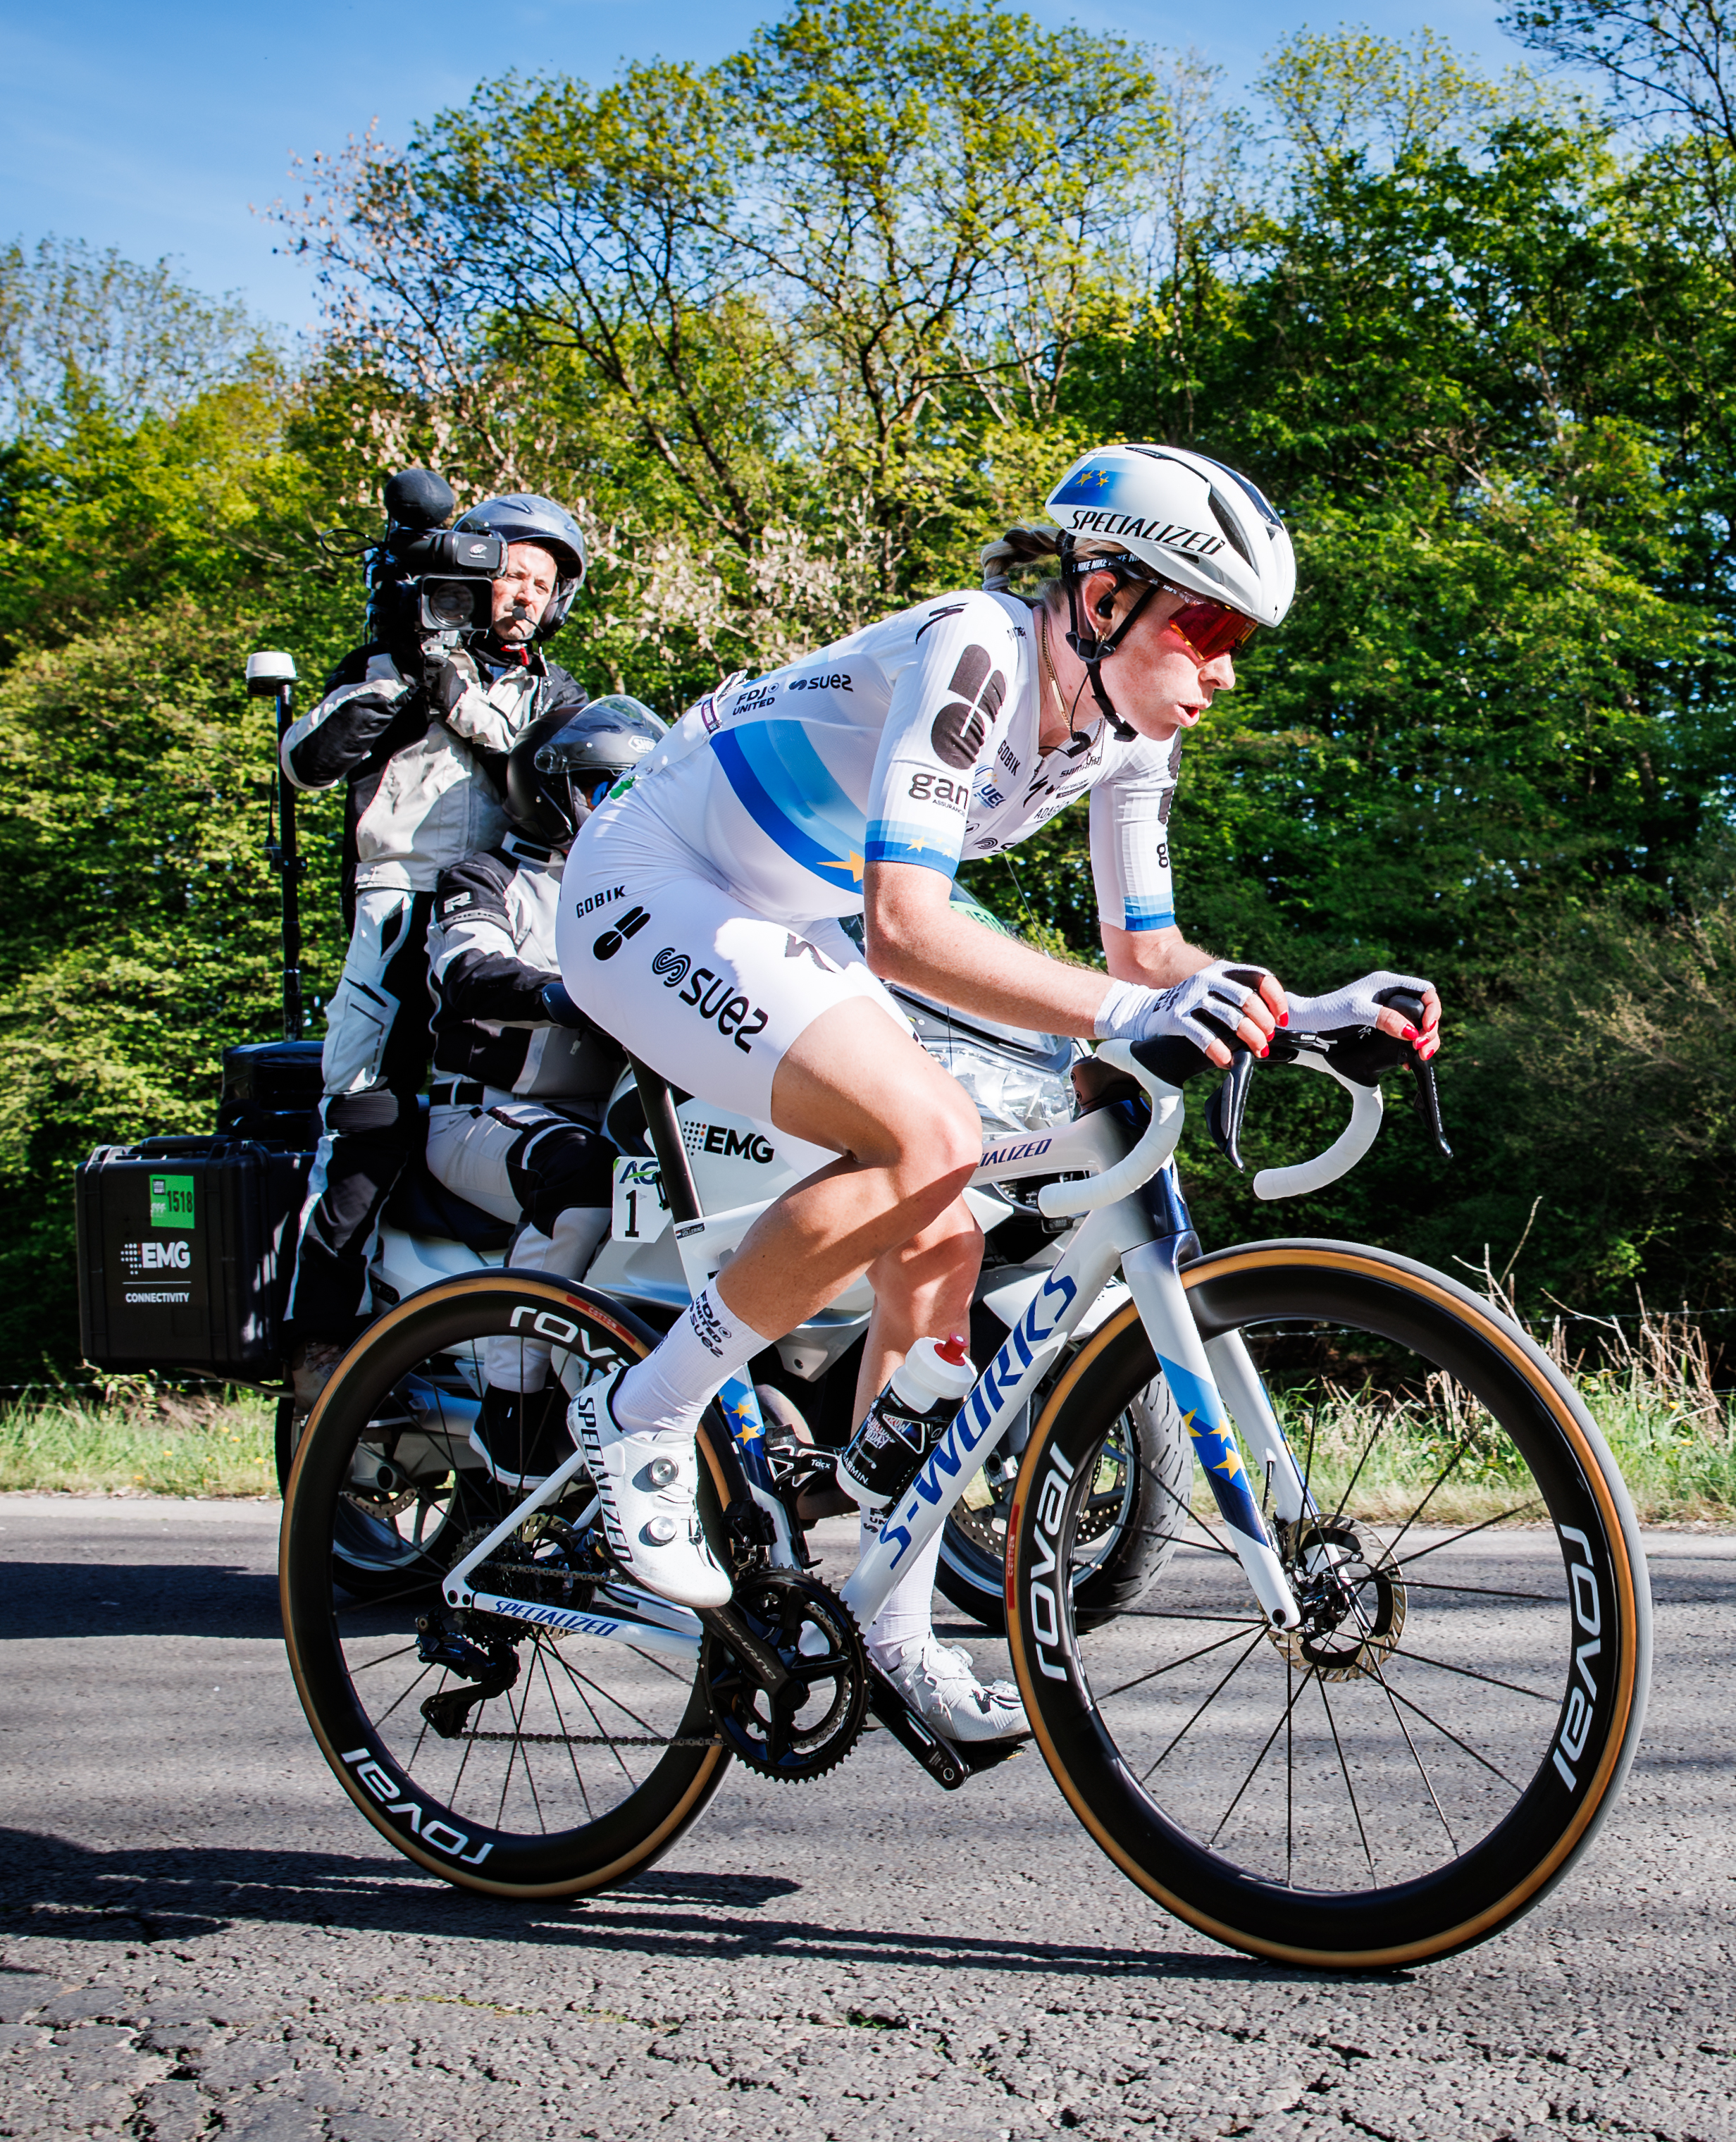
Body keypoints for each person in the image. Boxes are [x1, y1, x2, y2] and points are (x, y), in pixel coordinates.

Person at [554, 443, 1440, 1743]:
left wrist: (1303, 1012)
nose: (1226, 667)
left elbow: (1147, 957)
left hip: (790, 913)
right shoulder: (978, 647)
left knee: (948, 1224)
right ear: (1101, 598)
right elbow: (911, 929)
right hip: (653, 880)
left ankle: (889, 1625)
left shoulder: (1124, 735)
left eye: (1238, 637)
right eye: (1207, 626)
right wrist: (1135, 1011)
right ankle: (642, 1413)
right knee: (930, 1135)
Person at [279, 493, 593, 1396]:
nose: (526, 595)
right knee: (368, 1112)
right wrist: (409, 677)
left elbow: (560, 782)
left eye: (543, 582)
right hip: (399, 897)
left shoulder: (553, 690)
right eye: (512, 575)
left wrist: (468, 696)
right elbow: (304, 760)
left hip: (512, 903)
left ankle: (501, 1305)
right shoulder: (391, 656)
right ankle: (318, 1336)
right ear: (473, 574)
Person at [421, 698, 666, 1479]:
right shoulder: (486, 876)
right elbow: (465, 969)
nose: (620, 805)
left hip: (618, 1115)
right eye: (606, 787)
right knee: (582, 1176)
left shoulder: (647, 890)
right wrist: (564, 994)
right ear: (553, 788)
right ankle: (513, 1402)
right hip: (484, 1116)